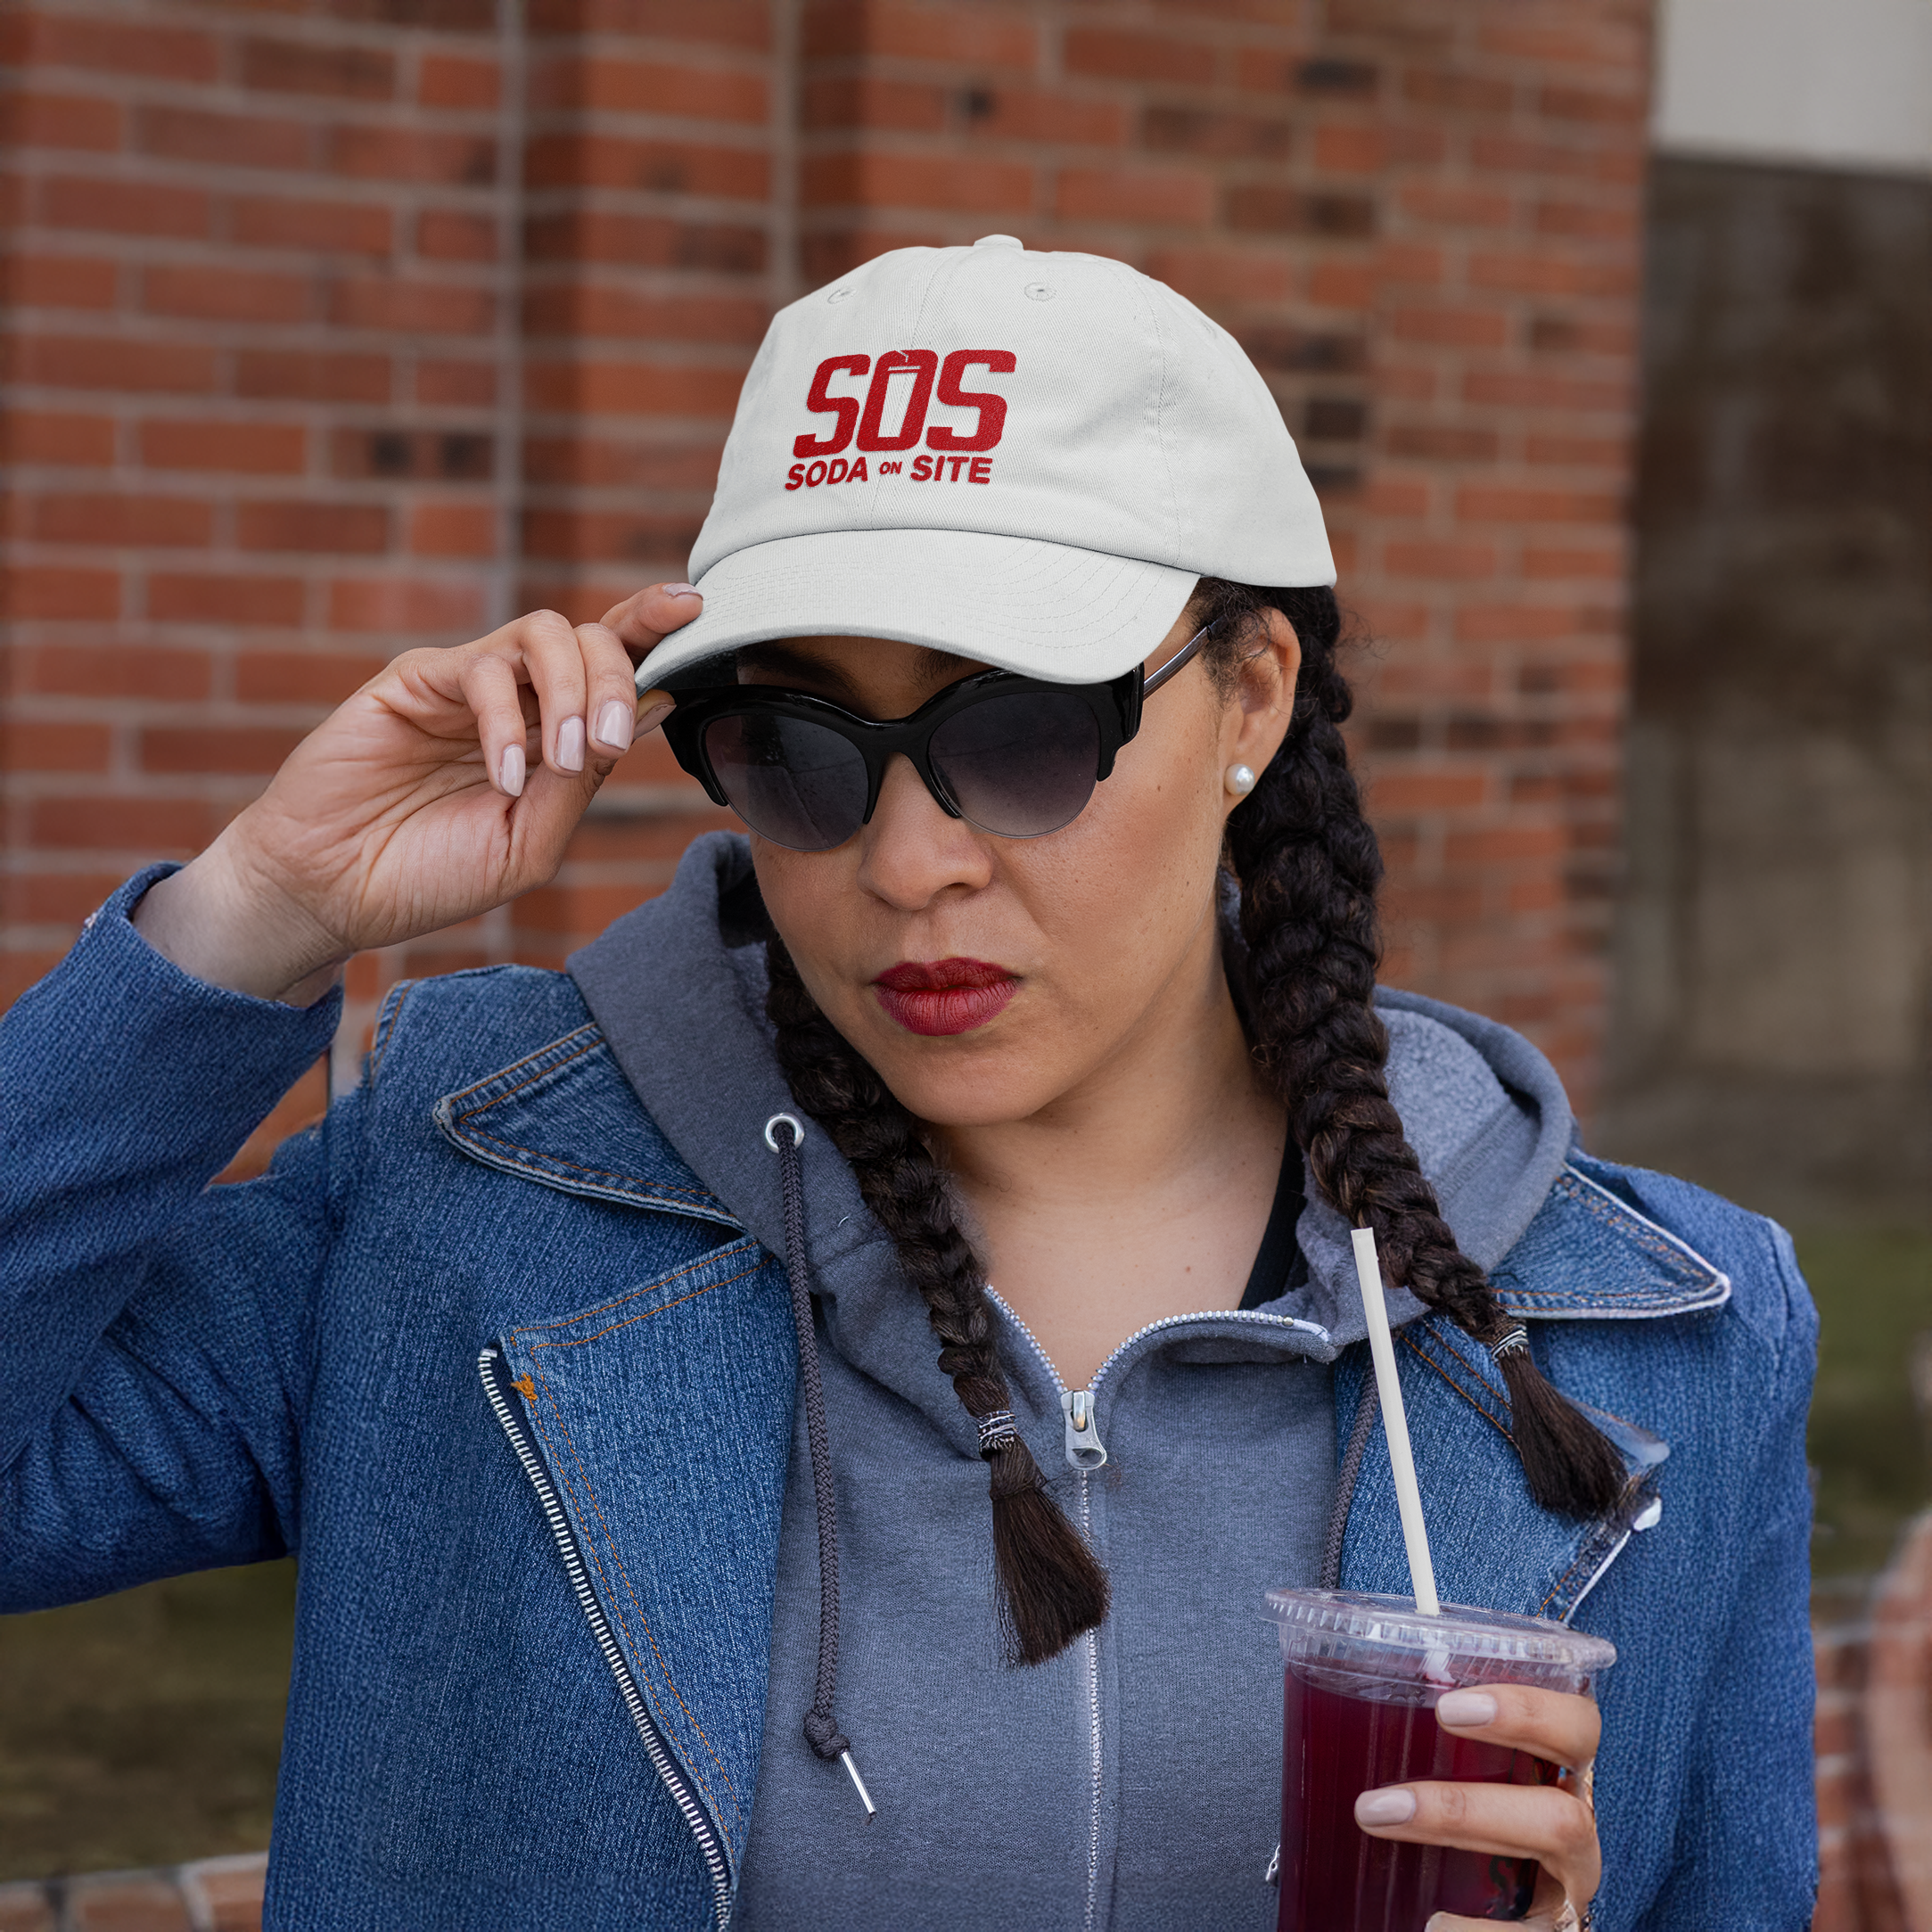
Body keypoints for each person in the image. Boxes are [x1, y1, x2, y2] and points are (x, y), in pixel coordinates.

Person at [1, 237, 1816, 1932]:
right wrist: (255, 914)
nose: (904, 860)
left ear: (1254, 697)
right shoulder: (476, 1199)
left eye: (1017, 731)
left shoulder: (1665, 1339)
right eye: (798, 746)